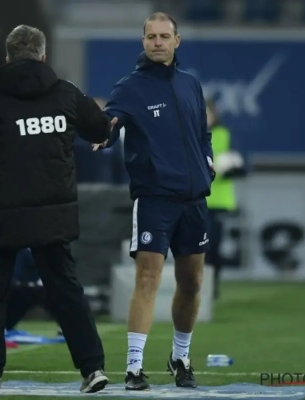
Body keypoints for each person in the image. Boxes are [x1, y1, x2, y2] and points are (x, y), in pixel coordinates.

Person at [0, 24, 112, 395]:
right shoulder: (66, 93)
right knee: (65, 288)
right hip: (52, 211)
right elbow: (101, 129)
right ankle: (92, 368)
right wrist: (103, 132)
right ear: (44, 56)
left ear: (7, 57)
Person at [93, 12, 214, 391]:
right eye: (151, 37)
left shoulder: (191, 84)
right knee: (147, 278)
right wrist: (102, 134)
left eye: (164, 36)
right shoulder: (130, 87)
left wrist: (208, 162)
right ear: (143, 41)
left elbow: (203, 133)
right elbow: (111, 123)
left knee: (192, 283)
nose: (157, 42)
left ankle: (180, 357)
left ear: (177, 41)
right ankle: (134, 367)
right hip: (154, 198)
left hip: (194, 199)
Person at [205, 99, 245, 300]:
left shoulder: (224, 135)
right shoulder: (189, 133)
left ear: (214, 114)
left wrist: (228, 169)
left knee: (213, 247)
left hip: (218, 202)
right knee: (193, 247)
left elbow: (243, 167)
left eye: (207, 113)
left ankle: (211, 286)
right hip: (193, 199)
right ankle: (195, 285)